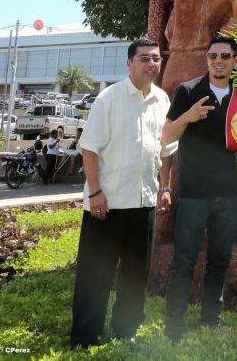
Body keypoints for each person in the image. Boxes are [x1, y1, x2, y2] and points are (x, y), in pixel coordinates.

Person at [70, 38, 173, 349]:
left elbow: (166, 150)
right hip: (108, 203)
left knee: (135, 274)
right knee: (95, 274)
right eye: (144, 58)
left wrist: (165, 186)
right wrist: (96, 192)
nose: (151, 64)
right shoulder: (109, 99)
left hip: (143, 203)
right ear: (129, 63)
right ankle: (85, 338)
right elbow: (89, 149)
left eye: (156, 58)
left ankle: (125, 329)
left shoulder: (162, 100)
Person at [161, 33, 237, 341]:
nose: (217, 62)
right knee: (184, 261)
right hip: (193, 193)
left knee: (219, 261)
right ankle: (174, 326)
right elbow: (166, 136)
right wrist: (189, 116)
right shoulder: (188, 91)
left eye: (224, 56)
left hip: (228, 194)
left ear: (234, 60)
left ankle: (211, 320)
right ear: (206, 59)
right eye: (212, 56)